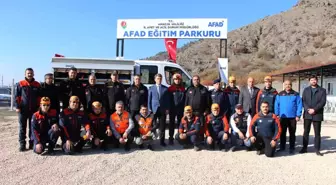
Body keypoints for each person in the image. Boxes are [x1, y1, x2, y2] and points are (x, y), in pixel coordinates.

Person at [15, 68, 41, 151]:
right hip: (23, 110)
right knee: (22, 127)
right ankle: (22, 144)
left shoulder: (37, 85)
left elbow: (39, 97)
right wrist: (17, 107)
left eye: (31, 73)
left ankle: (31, 143)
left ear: (33, 74)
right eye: (28, 73)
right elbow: (17, 96)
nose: (29, 74)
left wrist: (38, 108)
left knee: (32, 127)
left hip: (33, 110)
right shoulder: (20, 84)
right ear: (25, 74)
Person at [300, 75, 327, 156]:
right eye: (312, 80)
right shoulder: (306, 90)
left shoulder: (322, 90)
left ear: (317, 81)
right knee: (306, 132)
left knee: (317, 133)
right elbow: (303, 101)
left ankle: (317, 149)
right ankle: (304, 148)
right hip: (307, 114)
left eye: (314, 80)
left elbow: (323, 102)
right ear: (309, 81)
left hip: (317, 114)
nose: (313, 81)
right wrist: (308, 109)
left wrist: (314, 109)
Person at [274, 80, 302, 154]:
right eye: (286, 84)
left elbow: (299, 105)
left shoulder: (296, 94)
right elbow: (277, 105)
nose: (287, 86)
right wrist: (277, 114)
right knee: (282, 133)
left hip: (293, 117)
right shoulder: (280, 94)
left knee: (292, 133)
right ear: (284, 85)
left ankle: (292, 148)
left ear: (291, 85)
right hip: (282, 117)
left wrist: (298, 115)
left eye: (289, 84)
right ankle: (282, 147)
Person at [148, 73, 170, 146]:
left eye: (160, 78)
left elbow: (167, 100)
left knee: (162, 127)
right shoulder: (151, 88)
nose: (159, 80)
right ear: (155, 79)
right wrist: (149, 109)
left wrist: (167, 109)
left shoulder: (165, 89)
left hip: (162, 110)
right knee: (153, 126)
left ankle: (162, 141)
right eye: (157, 78)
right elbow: (149, 99)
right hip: (154, 110)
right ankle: (152, 141)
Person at [167, 73, 185, 145]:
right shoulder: (170, 88)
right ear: (173, 80)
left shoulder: (183, 88)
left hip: (180, 109)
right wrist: (168, 108)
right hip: (172, 109)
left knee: (180, 124)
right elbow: (168, 100)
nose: (177, 81)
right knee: (171, 124)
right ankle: (171, 138)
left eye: (178, 79)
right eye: (175, 79)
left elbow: (184, 99)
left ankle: (179, 137)